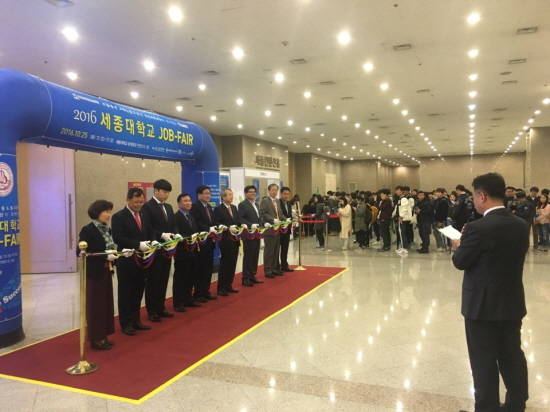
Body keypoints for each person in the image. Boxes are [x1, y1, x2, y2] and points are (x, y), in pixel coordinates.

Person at [451, 173, 529, 412]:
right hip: (511, 302)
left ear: (482, 196)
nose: (474, 201)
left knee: (483, 361)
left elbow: (461, 261)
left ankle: (487, 408)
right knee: (511, 355)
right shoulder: (521, 225)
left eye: (475, 196)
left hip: (481, 307)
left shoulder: (477, 228)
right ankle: (516, 404)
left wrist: (459, 245)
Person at [111, 188, 155, 336]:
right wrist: (137, 244)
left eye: (141, 202)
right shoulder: (119, 217)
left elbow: (149, 230)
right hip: (127, 260)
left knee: (138, 290)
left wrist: (153, 240)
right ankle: (126, 323)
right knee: (126, 292)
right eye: (136, 202)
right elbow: (118, 237)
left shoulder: (144, 214)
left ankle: (136, 320)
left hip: (143, 259)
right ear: (128, 200)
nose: (139, 205)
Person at [78, 200, 120, 350]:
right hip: (94, 273)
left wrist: (117, 254)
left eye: (110, 211)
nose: (109, 214)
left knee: (106, 304)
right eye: (106, 211)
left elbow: (110, 247)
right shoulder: (88, 230)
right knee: (96, 306)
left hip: (106, 271)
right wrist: (104, 255)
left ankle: (104, 335)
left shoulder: (107, 229)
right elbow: (81, 252)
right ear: (97, 213)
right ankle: (96, 339)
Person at [141, 179, 176, 323]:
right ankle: (152, 310)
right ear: (156, 191)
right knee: (153, 280)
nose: (166, 195)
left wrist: (174, 234)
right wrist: (160, 235)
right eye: (164, 192)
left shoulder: (168, 207)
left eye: (168, 192)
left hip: (167, 248)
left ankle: (161, 307)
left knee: (163, 278)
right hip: (155, 248)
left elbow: (172, 224)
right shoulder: (147, 207)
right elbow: (147, 227)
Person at [173, 193, 201, 311]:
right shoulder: (176, 217)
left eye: (189, 200)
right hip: (182, 252)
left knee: (191, 276)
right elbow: (176, 233)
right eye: (185, 201)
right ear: (179, 203)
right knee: (180, 278)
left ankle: (188, 298)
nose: (188, 203)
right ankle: (178, 302)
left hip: (193, 251)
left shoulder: (191, 216)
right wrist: (188, 237)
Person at [191, 185, 218, 301]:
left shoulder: (209, 206)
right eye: (206, 193)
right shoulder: (195, 207)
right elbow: (196, 223)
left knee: (208, 268)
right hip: (201, 243)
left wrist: (216, 227)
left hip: (210, 242)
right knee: (200, 268)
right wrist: (208, 229)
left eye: (209, 193)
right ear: (199, 195)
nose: (208, 195)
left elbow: (212, 221)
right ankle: (198, 293)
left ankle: (205, 291)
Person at [214, 188, 241, 296]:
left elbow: (237, 221)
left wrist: (241, 225)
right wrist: (227, 227)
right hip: (225, 240)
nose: (231, 196)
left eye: (232, 194)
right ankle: (221, 287)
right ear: (223, 197)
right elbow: (217, 223)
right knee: (225, 263)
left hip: (235, 239)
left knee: (233, 263)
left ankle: (229, 285)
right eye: (229, 194)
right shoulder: (218, 209)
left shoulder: (234, 207)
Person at [238, 185, 263, 286]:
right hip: (248, 234)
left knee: (255, 255)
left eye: (254, 192)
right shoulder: (242, 205)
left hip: (257, 233)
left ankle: (252, 275)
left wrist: (261, 224)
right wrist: (250, 225)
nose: (253, 193)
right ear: (246, 193)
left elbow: (259, 217)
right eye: (250, 192)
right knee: (248, 256)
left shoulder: (256, 204)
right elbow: (241, 218)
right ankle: (246, 278)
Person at [259, 183, 283, 278]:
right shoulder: (265, 201)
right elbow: (262, 213)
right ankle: (268, 270)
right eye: (273, 190)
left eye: (276, 190)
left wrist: (286, 219)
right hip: (269, 230)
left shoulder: (277, 201)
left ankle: (274, 269)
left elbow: (279, 214)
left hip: (277, 229)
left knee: (276, 250)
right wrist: (272, 219)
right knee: (269, 251)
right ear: (269, 191)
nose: (275, 192)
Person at [278, 186, 294, 272]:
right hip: (279, 229)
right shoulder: (277, 203)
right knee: (277, 249)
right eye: (284, 194)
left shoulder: (288, 203)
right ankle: (277, 266)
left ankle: (284, 265)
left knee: (285, 248)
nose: (286, 196)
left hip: (287, 229)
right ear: (281, 194)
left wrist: (292, 221)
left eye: (288, 194)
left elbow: (289, 215)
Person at [394, 186, 412, 253]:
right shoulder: (400, 199)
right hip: (401, 218)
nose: (396, 192)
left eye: (398, 190)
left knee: (402, 233)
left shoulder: (403, 199)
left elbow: (404, 209)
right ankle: (403, 247)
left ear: (402, 191)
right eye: (396, 190)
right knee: (401, 233)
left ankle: (404, 248)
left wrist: (401, 217)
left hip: (402, 219)